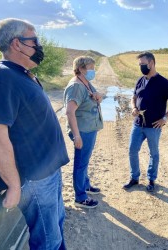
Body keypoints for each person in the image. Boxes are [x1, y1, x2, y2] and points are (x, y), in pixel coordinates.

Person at [0, 18, 69, 249]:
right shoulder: (0, 78)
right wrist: (15, 186)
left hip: (49, 173)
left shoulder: (22, 74)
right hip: (35, 179)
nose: (39, 47)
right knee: (48, 241)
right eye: (35, 41)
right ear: (17, 43)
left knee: (55, 229)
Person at [123, 51, 168, 192]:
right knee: (132, 150)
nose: (141, 67)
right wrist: (133, 107)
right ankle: (134, 178)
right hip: (138, 124)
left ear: (152, 63)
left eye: (143, 64)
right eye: (139, 64)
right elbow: (133, 97)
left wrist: (165, 118)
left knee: (153, 153)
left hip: (154, 126)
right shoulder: (140, 80)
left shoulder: (163, 83)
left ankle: (151, 180)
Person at [63, 56, 103, 208]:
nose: (93, 71)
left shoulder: (85, 82)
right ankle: (80, 197)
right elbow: (69, 112)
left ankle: (85, 185)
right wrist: (77, 135)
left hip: (89, 129)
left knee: (85, 162)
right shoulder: (75, 87)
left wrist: (98, 96)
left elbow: (92, 94)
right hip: (82, 131)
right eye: (91, 68)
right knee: (81, 164)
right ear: (81, 69)